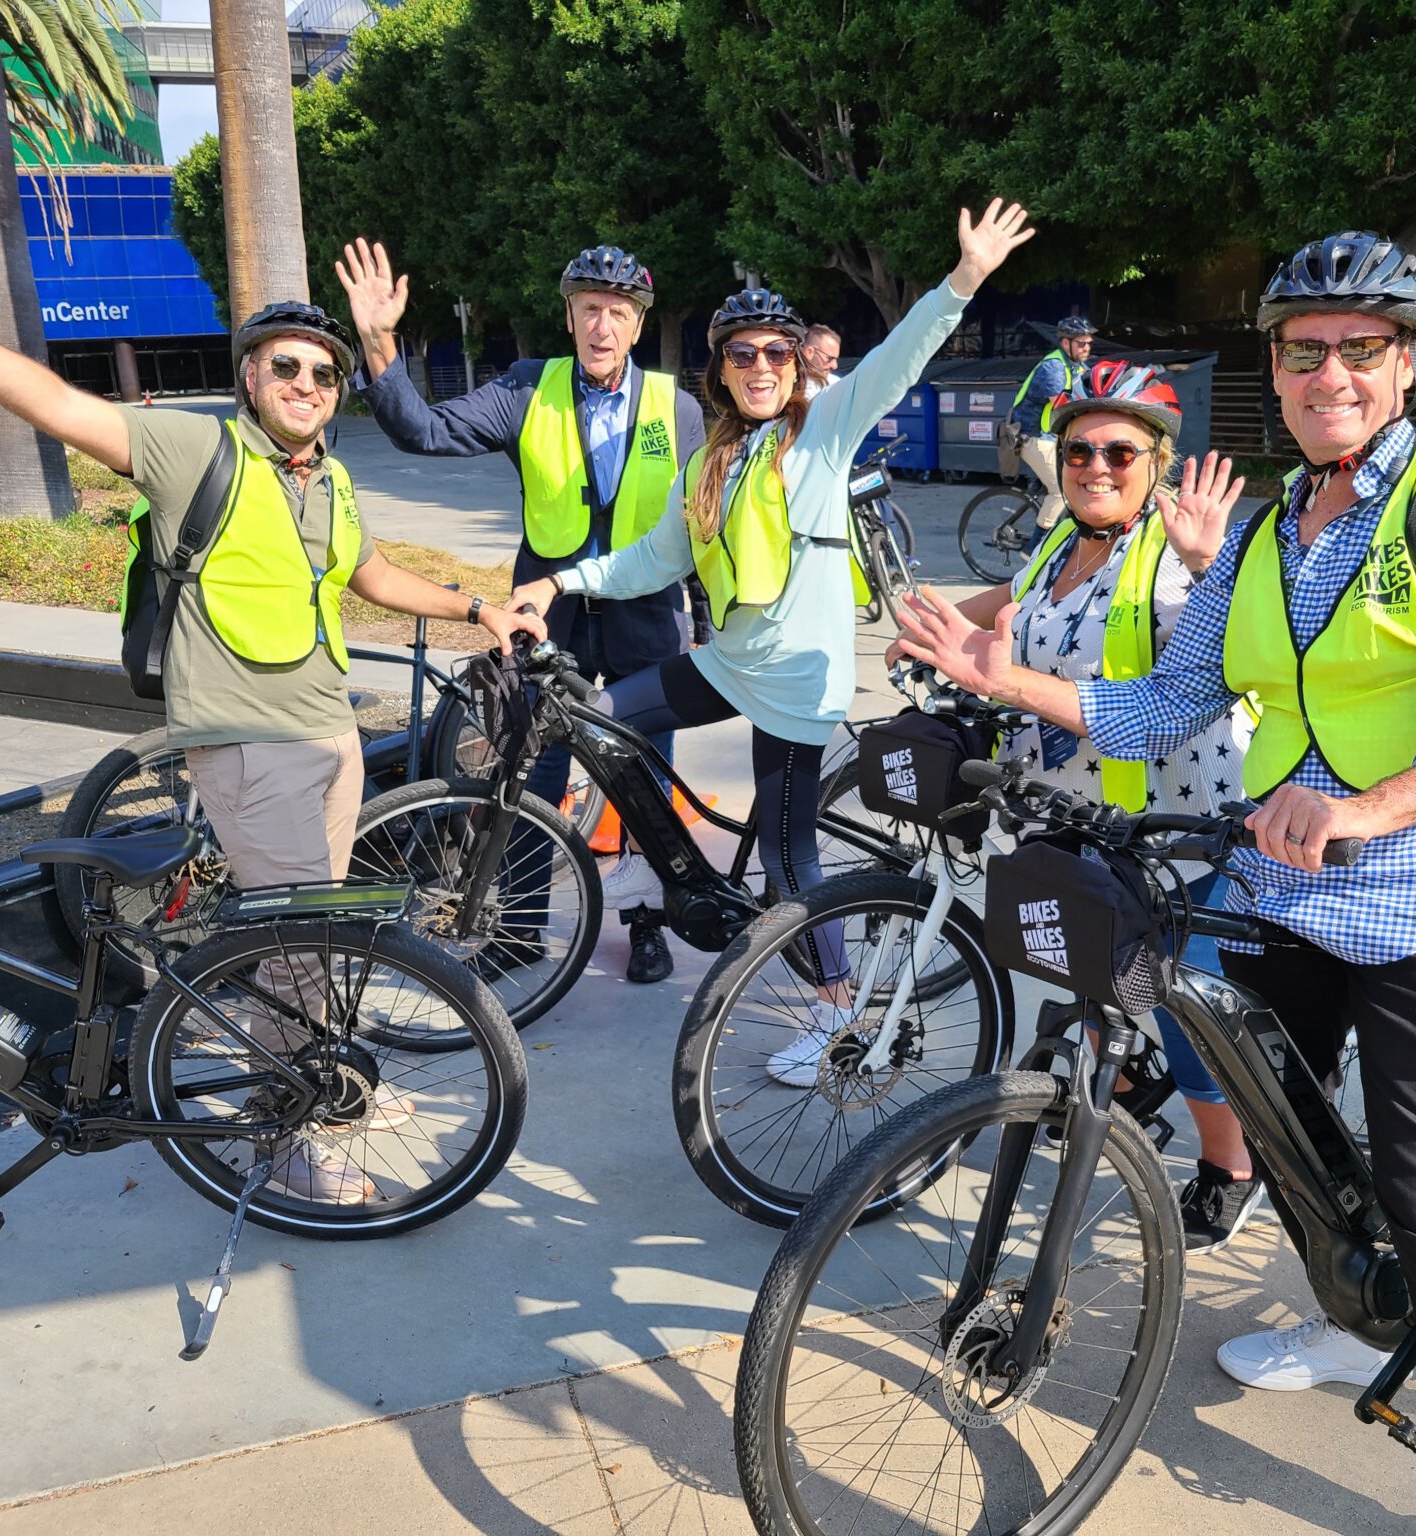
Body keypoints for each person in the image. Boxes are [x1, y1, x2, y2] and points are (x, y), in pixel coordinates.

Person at [899, 230, 1416, 1536]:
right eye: (1306, 352)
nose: (1332, 375)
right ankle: (1336, 1314)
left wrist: (1359, 807)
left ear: (1407, 361)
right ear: (1275, 365)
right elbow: (1158, 704)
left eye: (1361, 349)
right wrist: (997, 676)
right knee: (1280, 1135)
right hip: (1286, 886)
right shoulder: (1267, 529)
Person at [0, 212, 545, 1203]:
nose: (305, 386)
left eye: (323, 374)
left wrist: (476, 608)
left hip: (329, 737)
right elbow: (57, 404)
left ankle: (317, 1087)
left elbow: (370, 572)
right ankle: (284, 1142)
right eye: (285, 368)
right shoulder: (190, 452)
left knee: (314, 945)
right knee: (295, 952)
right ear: (250, 376)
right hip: (248, 747)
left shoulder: (328, 477)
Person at [506, 199, 1036, 1084]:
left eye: (776, 353)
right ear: (720, 369)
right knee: (601, 719)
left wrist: (964, 280)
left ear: (797, 367)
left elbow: (897, 362)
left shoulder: (820, 434)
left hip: (796, 680)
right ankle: (659, 871)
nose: (760, 366)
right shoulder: (712, 458)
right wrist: (560, 580)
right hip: (732, 661)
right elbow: (652, 558)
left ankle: (842, 1022)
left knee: (791, 857)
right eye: (742, 353)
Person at [895, 361, 1264, 1247]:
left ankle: (1231, 1164)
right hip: (1080, 809)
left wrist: (1214, 559)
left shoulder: (1179, 556)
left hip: (1184, 821)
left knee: (1182, 1006)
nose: (1095, 466)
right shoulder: (1064, 541)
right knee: (1086, 970)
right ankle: (1115, 1090)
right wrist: (933, 627)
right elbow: (1014, 605)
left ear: (1157, 463)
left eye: (1119, 452)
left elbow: (1249, 627)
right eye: (1079, 450)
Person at [336, 239, 705, 983]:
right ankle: (520, 928)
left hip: (647, 613)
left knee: (645, 777)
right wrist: (377, 341)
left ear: (638, 325)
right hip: (548, 615)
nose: (604, 326)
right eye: (591, 309)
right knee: (529, 770)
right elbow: (424, 430)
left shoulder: (679, 406)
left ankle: (645, 925)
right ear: (569, 316)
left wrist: (704, 621)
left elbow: (695, 526)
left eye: (620, 313)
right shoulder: (527, 389)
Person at [1009, 315, 1097, 529]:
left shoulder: (1077, 365)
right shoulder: (1054, 368)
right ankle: (1035, 551)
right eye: (1081, 343)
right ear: (1066, 343)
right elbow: (1063, 406)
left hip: (1053, 437)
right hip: (1032, 437)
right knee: (1060, 491)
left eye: (1089, 343)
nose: (1087, 347)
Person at [800, 324, 842, 398]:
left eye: (836, 359)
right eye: (830, 358)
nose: (835, 366)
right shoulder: (789, 384)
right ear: (810, 352)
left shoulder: (836, 384)